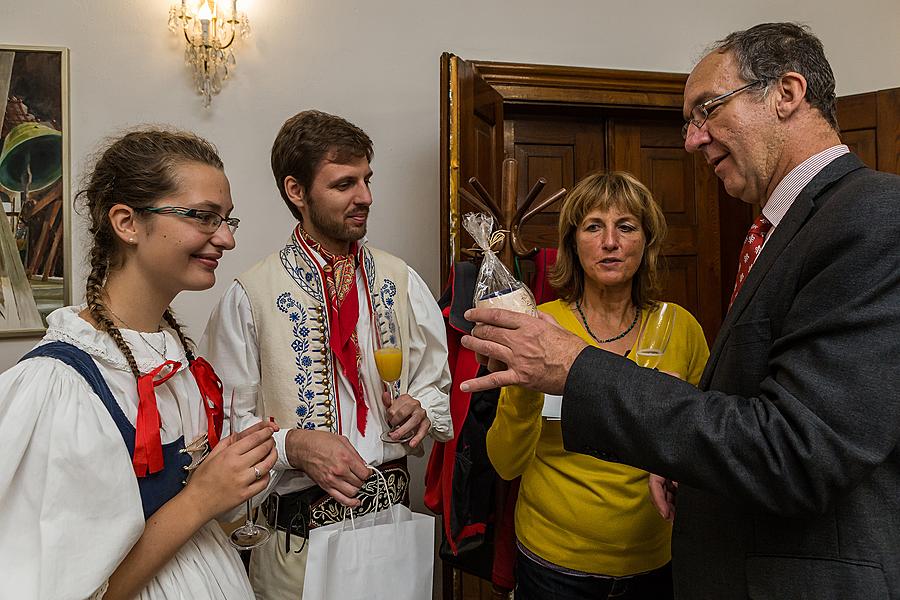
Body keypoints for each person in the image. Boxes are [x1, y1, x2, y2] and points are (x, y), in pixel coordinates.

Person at [461, 22, 900, 599]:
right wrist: (686, 462)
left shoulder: (871, 216)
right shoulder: (781, 230)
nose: (692, 140)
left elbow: (797, 449)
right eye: (593, 228)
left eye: (708, 110)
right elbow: (755, 414)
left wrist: (577, 368)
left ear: (787, 94)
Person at [0, 129, 278, 599]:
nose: (226, 240)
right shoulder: (58, 385)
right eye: (204, 218)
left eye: (228, 220)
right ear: (127, 223)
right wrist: (201, 498)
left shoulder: (172, 357)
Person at [202, 109, 452, 599]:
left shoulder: (400, 281)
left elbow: (435, 384)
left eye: (366, 180)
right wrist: (291, 446)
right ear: (297, 192)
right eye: (344, 184)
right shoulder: (250, 296)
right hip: (297, 553)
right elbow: (225, 431)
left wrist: (422, 407)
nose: (365, 197)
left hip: (392, 537)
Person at [486, 171, 708, 600]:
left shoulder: (681, 328)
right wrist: (525, 388)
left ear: (647, 241)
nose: (610, 242)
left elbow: (703, 447)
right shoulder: (541, 327)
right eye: (593, 227)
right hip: (554, 564)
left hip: (655, 562)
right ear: (572, 243)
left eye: (626, 226)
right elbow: (505, 463)